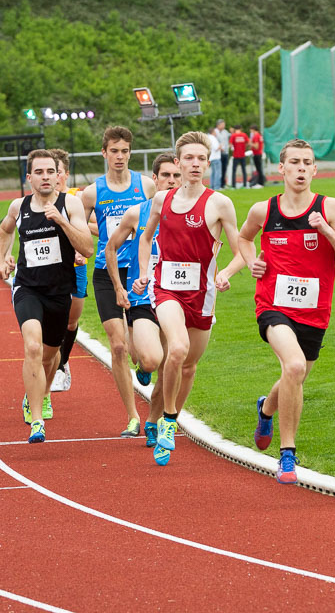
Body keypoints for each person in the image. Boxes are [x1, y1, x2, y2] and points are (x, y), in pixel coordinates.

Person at [237, 138, 335, 483]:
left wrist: (326, 230)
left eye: (308, 162)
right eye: (295, 162)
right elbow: (244, 238)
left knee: (296, 375)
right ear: (281, 168)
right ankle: (288, 456)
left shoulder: (330, 208)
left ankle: (266, 408)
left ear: (315, 169)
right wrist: (252, 264)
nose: (301, 168)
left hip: (314, 311)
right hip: (273, 306)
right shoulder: (264, 210)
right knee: (292, 366)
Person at [133, 131, 244, 465]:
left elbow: (241, 252)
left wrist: (225, 273)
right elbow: (145, 236)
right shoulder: (161, 200)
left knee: (189, 364)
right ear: (177, 163)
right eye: (189, 158)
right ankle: (169, 421)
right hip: (166, 290)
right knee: (177, 348)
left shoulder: (219, 203)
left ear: (208, 164)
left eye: (201, 159)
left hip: (203, 296)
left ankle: (159, 419)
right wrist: (144, 272)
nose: (195, 164)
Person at [0, 149, 93, 443]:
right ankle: (36, 419)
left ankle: (40, 392)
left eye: (50, 171)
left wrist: (62, 222)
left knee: (51, 356)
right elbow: (3, 231)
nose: (46, 177)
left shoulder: (70, 204)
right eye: (39, 172)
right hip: (28, 288)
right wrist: (1, 259)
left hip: (59, 291)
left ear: (58, 175)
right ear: (30, 177)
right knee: (33, 347)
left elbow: (87, 248)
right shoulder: (18, 206)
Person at [78, 126, 156, 437]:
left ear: (130, 152)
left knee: (141, 354)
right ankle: (133, 417)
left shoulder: (146, 186)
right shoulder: (92, 193)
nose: (119, 157)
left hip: (138, 273)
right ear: (104, 153)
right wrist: (108, 237)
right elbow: (80, 228)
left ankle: (145, 368)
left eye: (124, 151)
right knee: (119, 345)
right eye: (114, 151)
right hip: (105, 273)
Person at [106, 153, 180, 448]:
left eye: (176, 176)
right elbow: (110, 249)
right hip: (142, 294)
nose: (171, 181)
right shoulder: (138, 213)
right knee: (151, 359)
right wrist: (118, 287)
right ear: (155, 179)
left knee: (169, 366)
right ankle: (143, 368)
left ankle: (153, 420)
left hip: (177, 295)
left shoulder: (192, 213)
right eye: (166, 176)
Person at [49, 148, 88, 396]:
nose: (54, 177)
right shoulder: (39, 201)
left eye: (58, 172)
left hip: (77, 267)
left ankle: (63, 361)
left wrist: (81, 245)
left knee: (72, 321)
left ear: (65, 174)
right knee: (51, 321)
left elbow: (94, 226)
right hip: (51, 269)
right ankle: (52, 365)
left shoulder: (77, 198)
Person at [229, 124, 250, 189]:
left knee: (234, 171)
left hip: (236, 155)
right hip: (242, 155)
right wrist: (244, 147)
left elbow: (230, 145)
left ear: (235, 129)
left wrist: (233, 147)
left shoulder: (233, 135)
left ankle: (233, 185)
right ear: (241, 128)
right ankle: (244, 184)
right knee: (244, 170)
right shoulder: (244, 135)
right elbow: (248, 143)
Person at [214, 119, 230, 188]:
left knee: (224, 169)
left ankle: (223, 184)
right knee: (218, 170)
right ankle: (218, 184)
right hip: (218, 154)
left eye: (224, 124)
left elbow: (229, 138)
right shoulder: (215, 132)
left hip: (225, 153)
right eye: (222, 124)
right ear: (218, 125)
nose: (224, 126)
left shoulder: (225, 132)